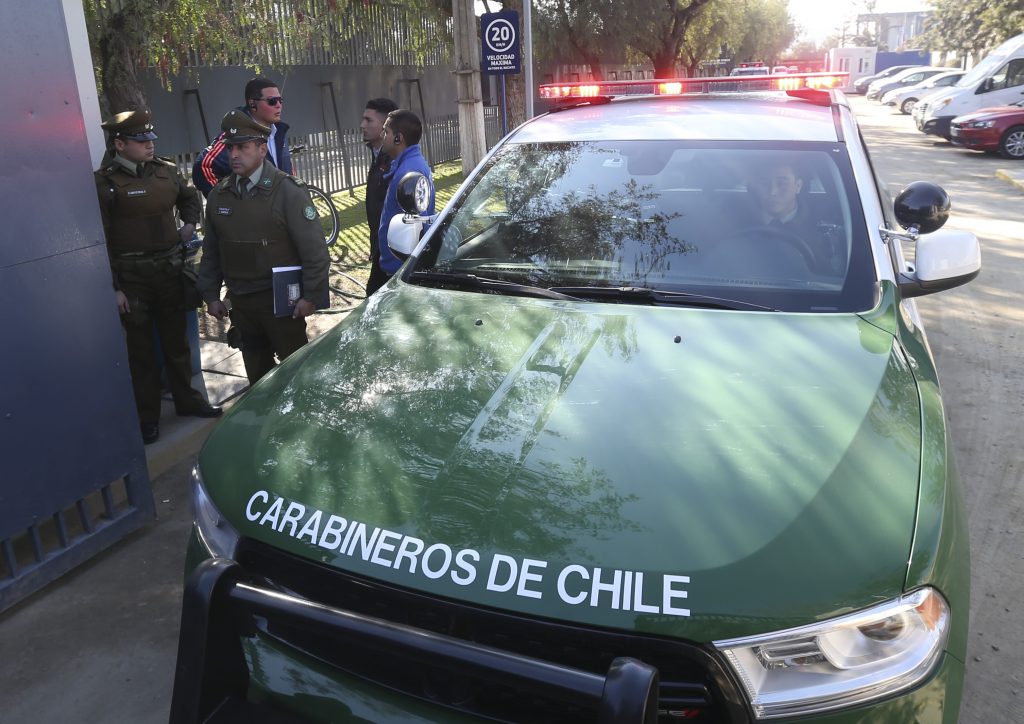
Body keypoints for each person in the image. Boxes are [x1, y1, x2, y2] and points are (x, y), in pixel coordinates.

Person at [95, 110, 222, 445]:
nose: (149, 146)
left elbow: (189, 196)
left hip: (169, 272)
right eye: (140, 141)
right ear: (120, 144)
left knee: (176, 344)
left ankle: (188, 402)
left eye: (150, 140)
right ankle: (147, 417)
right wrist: (113, 288)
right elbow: (100, 240)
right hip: (133, 280)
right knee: (141, 353)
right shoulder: (104, 183)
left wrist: (190, 223)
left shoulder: (165, 172)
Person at [196, 110, 331, 385]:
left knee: (296, 378)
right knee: (257, 378)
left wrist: (312, 296)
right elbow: (212, 250)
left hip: (282, 304)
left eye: (242, 147)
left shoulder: (287, 191)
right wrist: (211, 295)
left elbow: (314, 249)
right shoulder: (220, 195)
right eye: (230, 147)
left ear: (260, 149)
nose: (233, 154)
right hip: (242, 303)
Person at [193, 77, 292, 197]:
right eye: (272, 101)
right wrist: (223, 201)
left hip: (280, 209)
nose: (278, 105)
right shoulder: (237, 133)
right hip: (253, 212)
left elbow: (285, 170)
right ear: (252, 104)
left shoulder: (279, 131)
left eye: (280, 100)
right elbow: (203, 166)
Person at [377, 110, 436, 285]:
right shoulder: (409, 165)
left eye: (386, 131)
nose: (382, 136)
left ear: (398, 138)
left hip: (401, 270)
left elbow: (416, 226)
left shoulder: (409, 172)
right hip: (398, 266)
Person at [360, 97, 399, 295]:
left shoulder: (394, 160)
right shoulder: (379, 154)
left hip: (392, 252)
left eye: (369, 120)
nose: (362, 125)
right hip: (380, 248)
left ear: (385, 126)